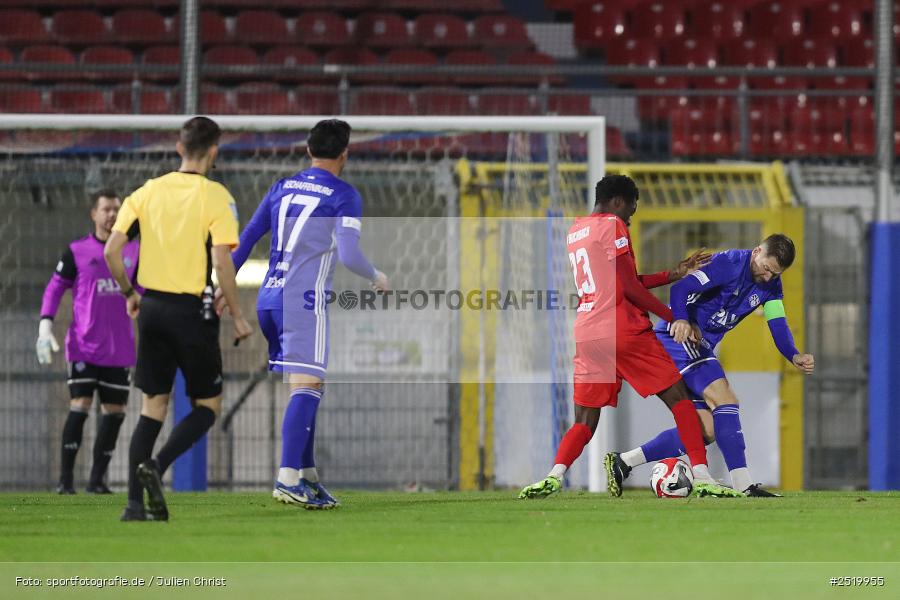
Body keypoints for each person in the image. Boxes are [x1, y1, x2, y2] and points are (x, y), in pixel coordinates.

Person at [519, 174, 743, 500]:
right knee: (680, 400)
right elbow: (629, 289)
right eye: (631, 212)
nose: (629, 219)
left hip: (587, 332)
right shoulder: (613, 225)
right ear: (619, 202)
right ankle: (703, 475)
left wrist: (672, 274)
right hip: (622, 329)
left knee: (584, 420)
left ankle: (554, 476)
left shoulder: (576, 230)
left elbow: (621, 281)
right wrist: (675, 317)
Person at [226, 118, 388, 509]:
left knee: (310, 387)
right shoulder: (344, 195)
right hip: (303, 303)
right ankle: (287, 478)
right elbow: (348, 254)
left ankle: (308, 474)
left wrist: (222, 288)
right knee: (307, 387)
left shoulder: (281, 187)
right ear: (345, 154)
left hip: (268, 299)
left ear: (308, 150)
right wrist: (377, 275)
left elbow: (246, 240)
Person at [104, 116, 252, 521]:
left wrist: (130, 294)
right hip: (192, 312)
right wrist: (238, 315)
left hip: (151, 309)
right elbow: (222, 261)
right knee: (207, 405)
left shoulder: (148, 192)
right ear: (214, 151)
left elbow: (111, 251)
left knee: (153, 407)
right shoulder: (216, 197)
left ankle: (134, 505)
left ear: (178, 148)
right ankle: (158, 464)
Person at [605, 235, 815, 497]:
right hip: (678, 340)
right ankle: (743, 484)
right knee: (725, 397)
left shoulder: (772, 285)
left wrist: (793, 355)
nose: (768, 276)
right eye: (766, 268)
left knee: (708, 429)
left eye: (775, 273)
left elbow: (777, 323)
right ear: (757, 251)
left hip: (699, 347)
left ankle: (624, 462)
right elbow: (679, 289)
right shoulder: (728, 263)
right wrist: (680, 319)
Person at [37, 190, 139, 494]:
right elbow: (54, 289)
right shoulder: (76, 251)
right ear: (93, 214)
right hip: (83, 345)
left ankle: (97, 481)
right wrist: (45, 327)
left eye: (116, 210)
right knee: (79, 404)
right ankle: (65, 481)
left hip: (120, 349)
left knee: (115, 412)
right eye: (106, 209)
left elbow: (146, 290)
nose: (112, 215)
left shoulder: (134, 252)